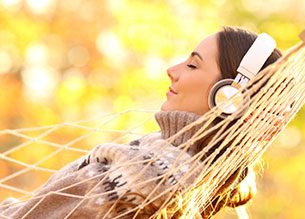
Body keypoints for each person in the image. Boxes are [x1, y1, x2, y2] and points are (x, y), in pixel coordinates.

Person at [0, 26, 282, 219]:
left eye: (193, 65)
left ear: (228, 97)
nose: (171, 71)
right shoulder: (166, 158)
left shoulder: (152, 177)